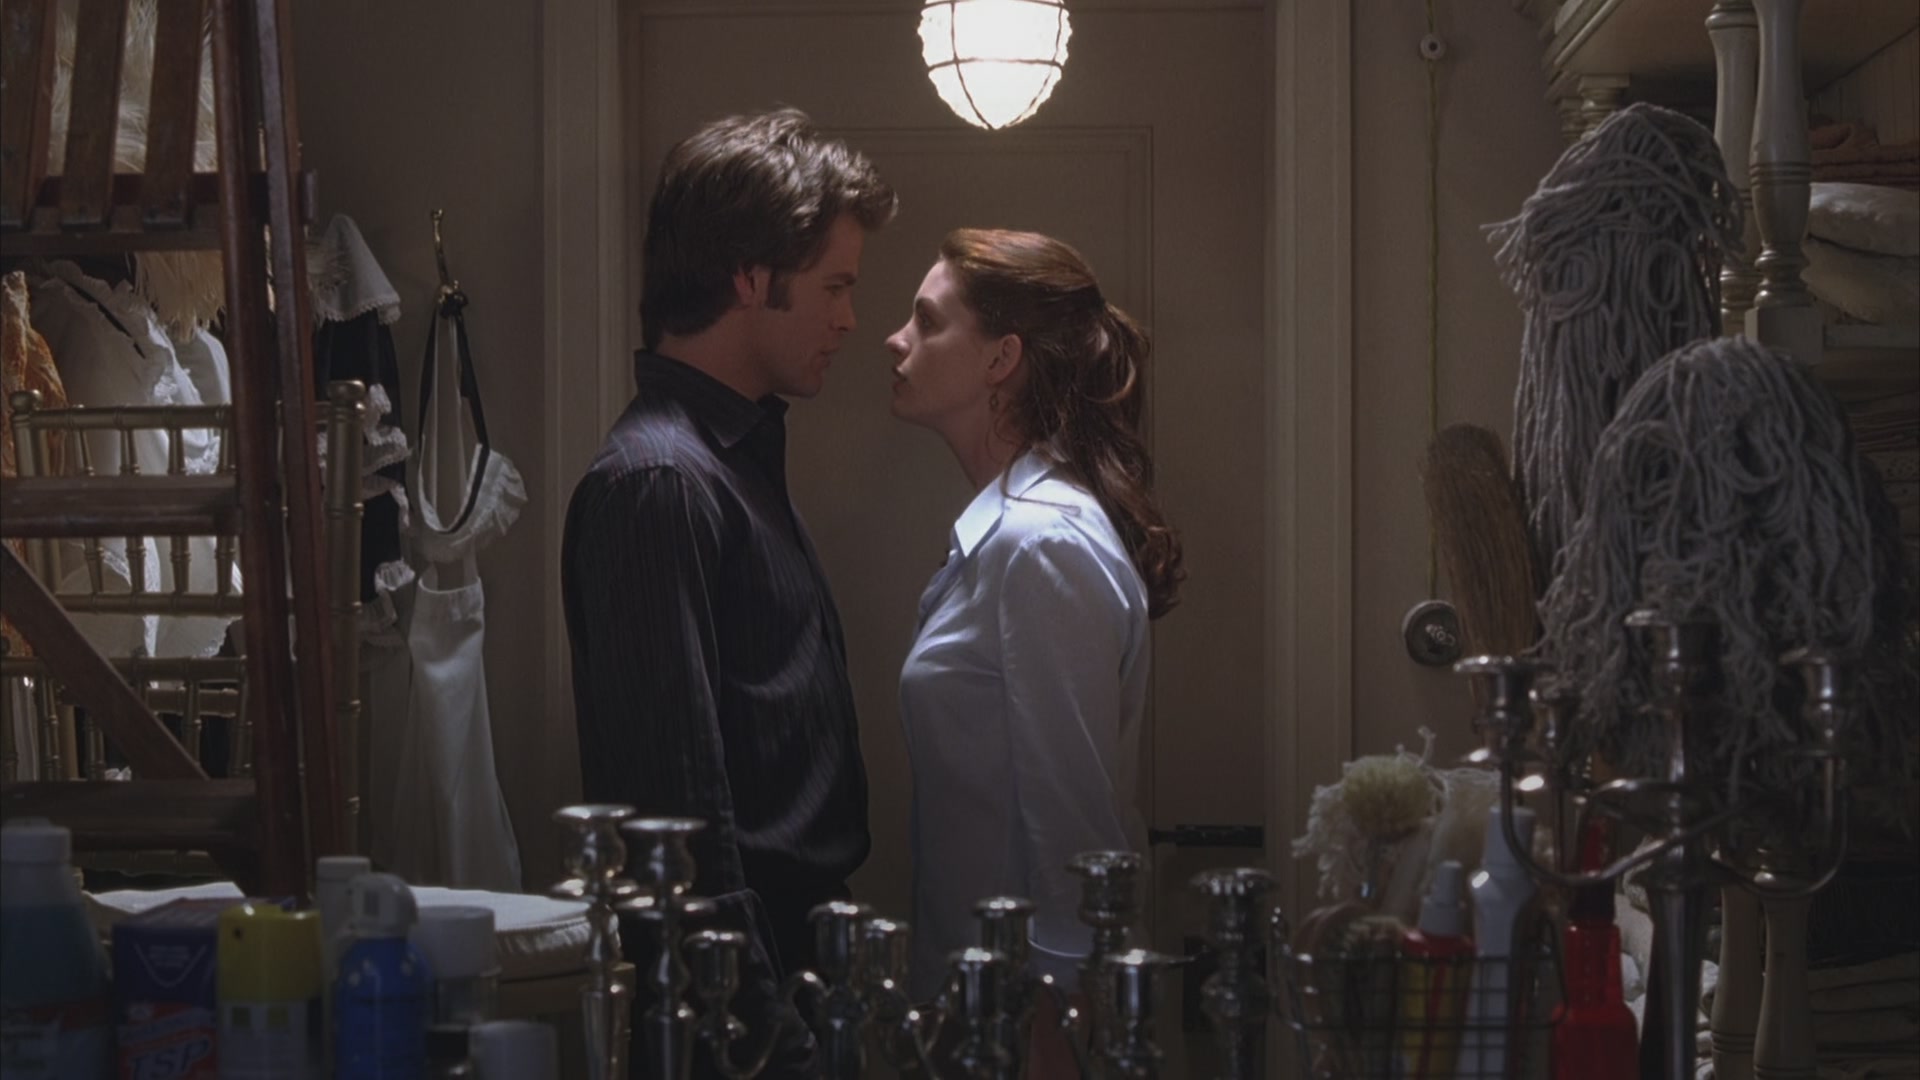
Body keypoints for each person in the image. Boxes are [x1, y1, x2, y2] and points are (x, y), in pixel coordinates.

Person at [562, 108, 895, 1076]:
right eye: (835, 286)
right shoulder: (660, 483)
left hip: (797, 973)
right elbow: (677, 817)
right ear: (751, 279)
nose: (849, 319)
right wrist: (765, 1042)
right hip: (743, 1006)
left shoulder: (728, 460)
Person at [883, 229, 1185, 1028]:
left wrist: (1057, 1030)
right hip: (976, 1004)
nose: (895, 339)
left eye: (927, 321)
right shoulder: (1009, 533)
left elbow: (1074, 827)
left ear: (1001, 358)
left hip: (1029, 1019)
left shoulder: (1040, 543)